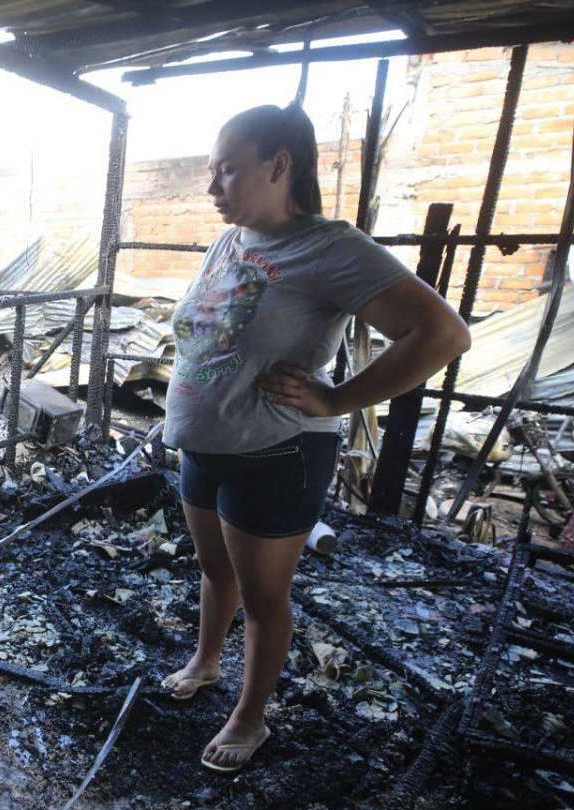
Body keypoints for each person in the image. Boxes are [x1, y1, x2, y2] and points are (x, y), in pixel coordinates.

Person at [159, 103, 471, 772]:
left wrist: (337, 398)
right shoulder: (231, 239)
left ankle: (250, 717)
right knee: (216, 571)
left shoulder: (331, 248)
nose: (213, 188)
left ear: (279, 166)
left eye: (226, 172)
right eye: (212, 173)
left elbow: (443, 333)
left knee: (266, 600)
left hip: (277, 452)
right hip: (206, 445)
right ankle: (207, 661)